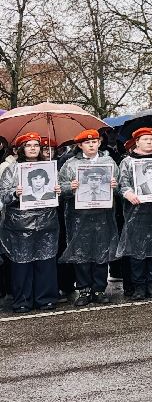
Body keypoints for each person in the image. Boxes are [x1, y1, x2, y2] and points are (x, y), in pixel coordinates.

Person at [1, 132, 61, 312]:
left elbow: (58, 193)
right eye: (28, 145)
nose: (33, 148)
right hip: (20, 225)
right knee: (22, 264)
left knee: (46, 261)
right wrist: (14, 193)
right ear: (21, 149)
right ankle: (22, 301)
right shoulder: (12, 169)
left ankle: (46, 299)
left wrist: (58, 190)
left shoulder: (49, 167)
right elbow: (3, 196)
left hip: (47, 222)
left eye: (36, 145)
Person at [59, 129, 118, 305]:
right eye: (87, 142)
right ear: (80, 145)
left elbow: (120, 185)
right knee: (81, 252)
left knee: (101, 251)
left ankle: (99, 289)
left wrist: (115, 184)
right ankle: (84, 290)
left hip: (103, 215)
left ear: (99, 143)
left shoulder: (109, 162)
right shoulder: (70, 164)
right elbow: (59, 188)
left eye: (94, 142)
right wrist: (70, 187)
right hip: (79, 216)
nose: (91, 145)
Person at [117, 128, 152, 300]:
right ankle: (139, 286)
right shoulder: (127, 162)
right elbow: (122, 184)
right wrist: (127, 193)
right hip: (136, 213)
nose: (149, 142)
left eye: (151, 139)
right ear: (137, 142)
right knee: (137, 250)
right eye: (145, 139)